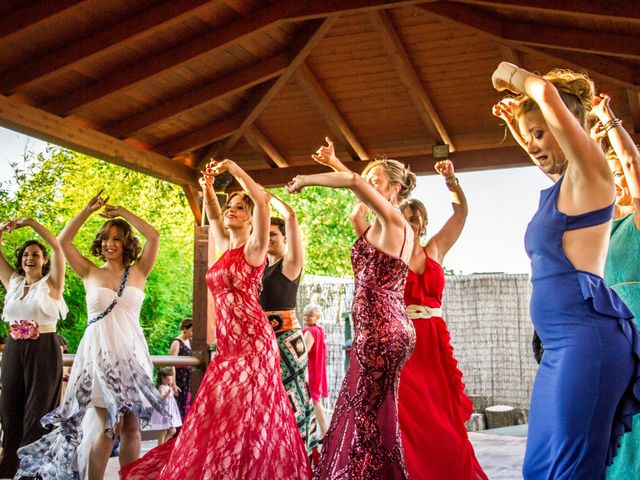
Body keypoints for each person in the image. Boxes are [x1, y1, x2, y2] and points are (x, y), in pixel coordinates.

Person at [492, 62, 640, 479]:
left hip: (587, 343)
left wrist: (510, 73)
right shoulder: (566, 188)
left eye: (540, 133)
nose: (533, 144)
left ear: (568, 126)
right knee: (540, 467)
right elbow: (549, 153)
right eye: (529, 136)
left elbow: (547, 96)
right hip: (558, 348)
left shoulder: (593, 175)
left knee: (570, 470)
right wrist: (527, 133)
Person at [121, 159, 309, 479]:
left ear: (250, 217)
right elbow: (211, 210)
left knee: (249, 416)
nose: (231, 210)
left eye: (238, 206)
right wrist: (208, 186)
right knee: (219, 413)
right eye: (230, 206)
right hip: (228, 346)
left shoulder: (255, 248)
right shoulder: (225, 247)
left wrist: (235, 169)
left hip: (254, 343)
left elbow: (262, 202)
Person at [286, 138, 416, 479]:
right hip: (382, 328)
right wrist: (334, 164)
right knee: (368, 413)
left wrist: (306, 179)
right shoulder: (382, 224)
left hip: (381, 331)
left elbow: (356, 184)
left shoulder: (395, 222)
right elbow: (358, 189)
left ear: (395, 188)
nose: (368, 186)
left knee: (365, 414)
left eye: (377, 182)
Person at [16, 195, 166, 480]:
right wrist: (87, 210)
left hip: (133, 358)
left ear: (126, 244)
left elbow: (154, 235)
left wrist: (123, 211)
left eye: (117, 238)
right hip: (99, 358)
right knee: (110, 426)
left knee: (133, 427)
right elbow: (61, 242)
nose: (110, 243)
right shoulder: (88, 271)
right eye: (106, 238)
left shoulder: (139, 271)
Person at [393, 163, 486, 480]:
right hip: (404, 340)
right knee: (409, 413)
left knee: (442, 413)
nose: (411, 224)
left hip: (433, 339)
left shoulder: (435, 250)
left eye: (415, 219)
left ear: (423, 224)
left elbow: (460, 215)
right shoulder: (388, 255)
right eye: (404, 219)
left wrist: (450, 181)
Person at [589, 94, 640, 480]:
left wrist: (608, 121)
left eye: (619, 174)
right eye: (612, 174)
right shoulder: (598, 233)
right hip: (609, 344)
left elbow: (633, 164)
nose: (618, 179)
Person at [0, 218, 68, 477]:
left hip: (44, 350)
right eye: (27, 254)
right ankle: (10, 466)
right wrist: (2, 229)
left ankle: (33, 470)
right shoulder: (13, 283)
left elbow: (58, 247)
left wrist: (31, 223)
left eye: (36, 255)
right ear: (21, 260)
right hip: (14, 350)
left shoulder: (51, 284)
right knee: (9, 407)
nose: (30, 258)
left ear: (43, 260)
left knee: (38, 409)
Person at [260, 193, 319, 454]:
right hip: (262, 342)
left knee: (290, 399)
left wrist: (266, 197)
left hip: (285, 341)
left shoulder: (290, 264)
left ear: (285, 238)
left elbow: (291, 216)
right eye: (266, 234)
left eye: (273, 234)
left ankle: (299, 456)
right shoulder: (258, 267)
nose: (268, 238)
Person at [302, 303, 329, 439]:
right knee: (316, 400)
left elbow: (303, 353)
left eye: (310, 316)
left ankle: (324, 431)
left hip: (311, 370)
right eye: (305, 315)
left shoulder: (310, 331)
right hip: (318, 369)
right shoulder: (319, 330)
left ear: (317, 316)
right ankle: (324, 431)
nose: (307, 318)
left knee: (315, 401)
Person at [146, 369, 182, 445]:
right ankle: (160, 446)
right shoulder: (162, 387)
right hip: (164, 411)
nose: (171, 381)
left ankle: (162, 445)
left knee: (173, 430)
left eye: (172, 379)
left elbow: (173, 397)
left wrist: (174, 392)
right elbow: (161, 399)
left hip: (169, 411)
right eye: (169, 379)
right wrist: (168, 393)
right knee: (164, 430)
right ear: (163, 378)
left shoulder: (168, 387)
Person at [168, 318, 193, 419]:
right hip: (179, 376)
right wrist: (173, 384)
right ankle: (176, 432)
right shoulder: (177, 342)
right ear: (185, 329)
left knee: (187, 401)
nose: (193, 333)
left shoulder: (190, 341)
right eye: (192, 330)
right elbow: (172, 363)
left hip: (188, 376)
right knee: (179, 403)